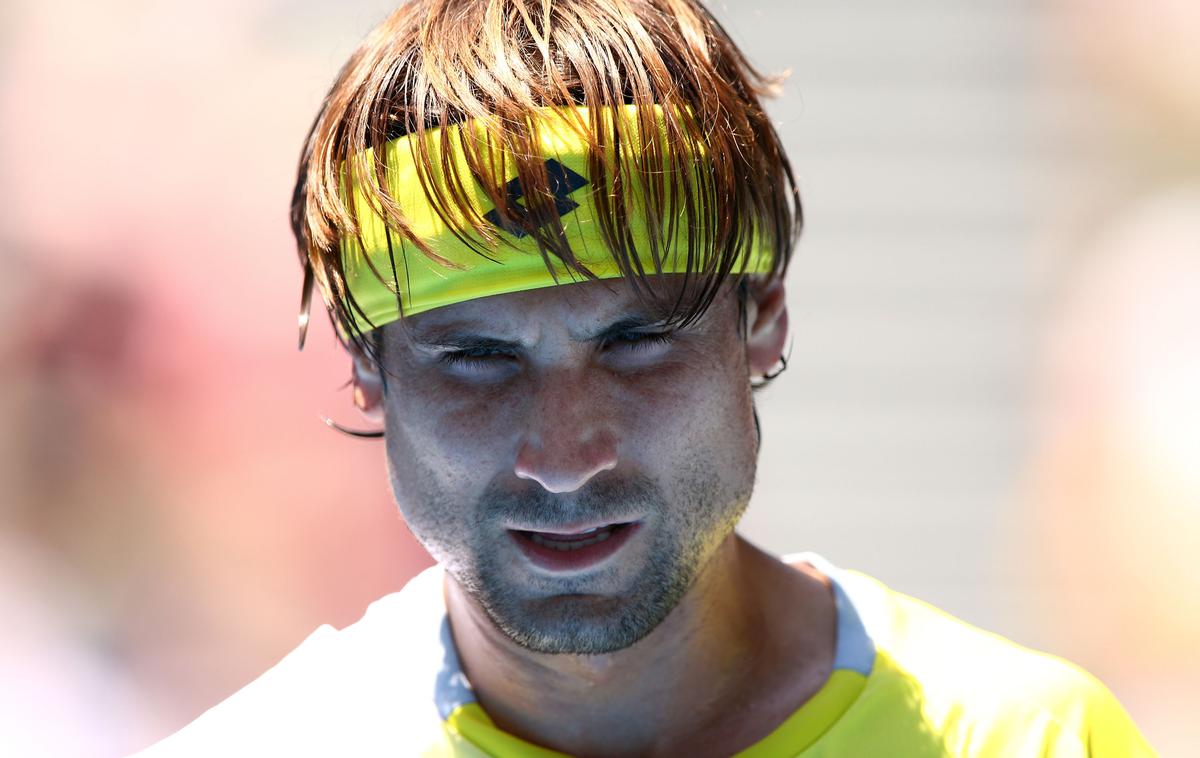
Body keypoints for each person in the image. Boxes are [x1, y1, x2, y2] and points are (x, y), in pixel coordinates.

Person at [136, 0, 1155, 755]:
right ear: (369, 370)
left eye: (636, 340)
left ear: (761, 320)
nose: (566, 453)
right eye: (478, 359)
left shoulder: (1034, 739)